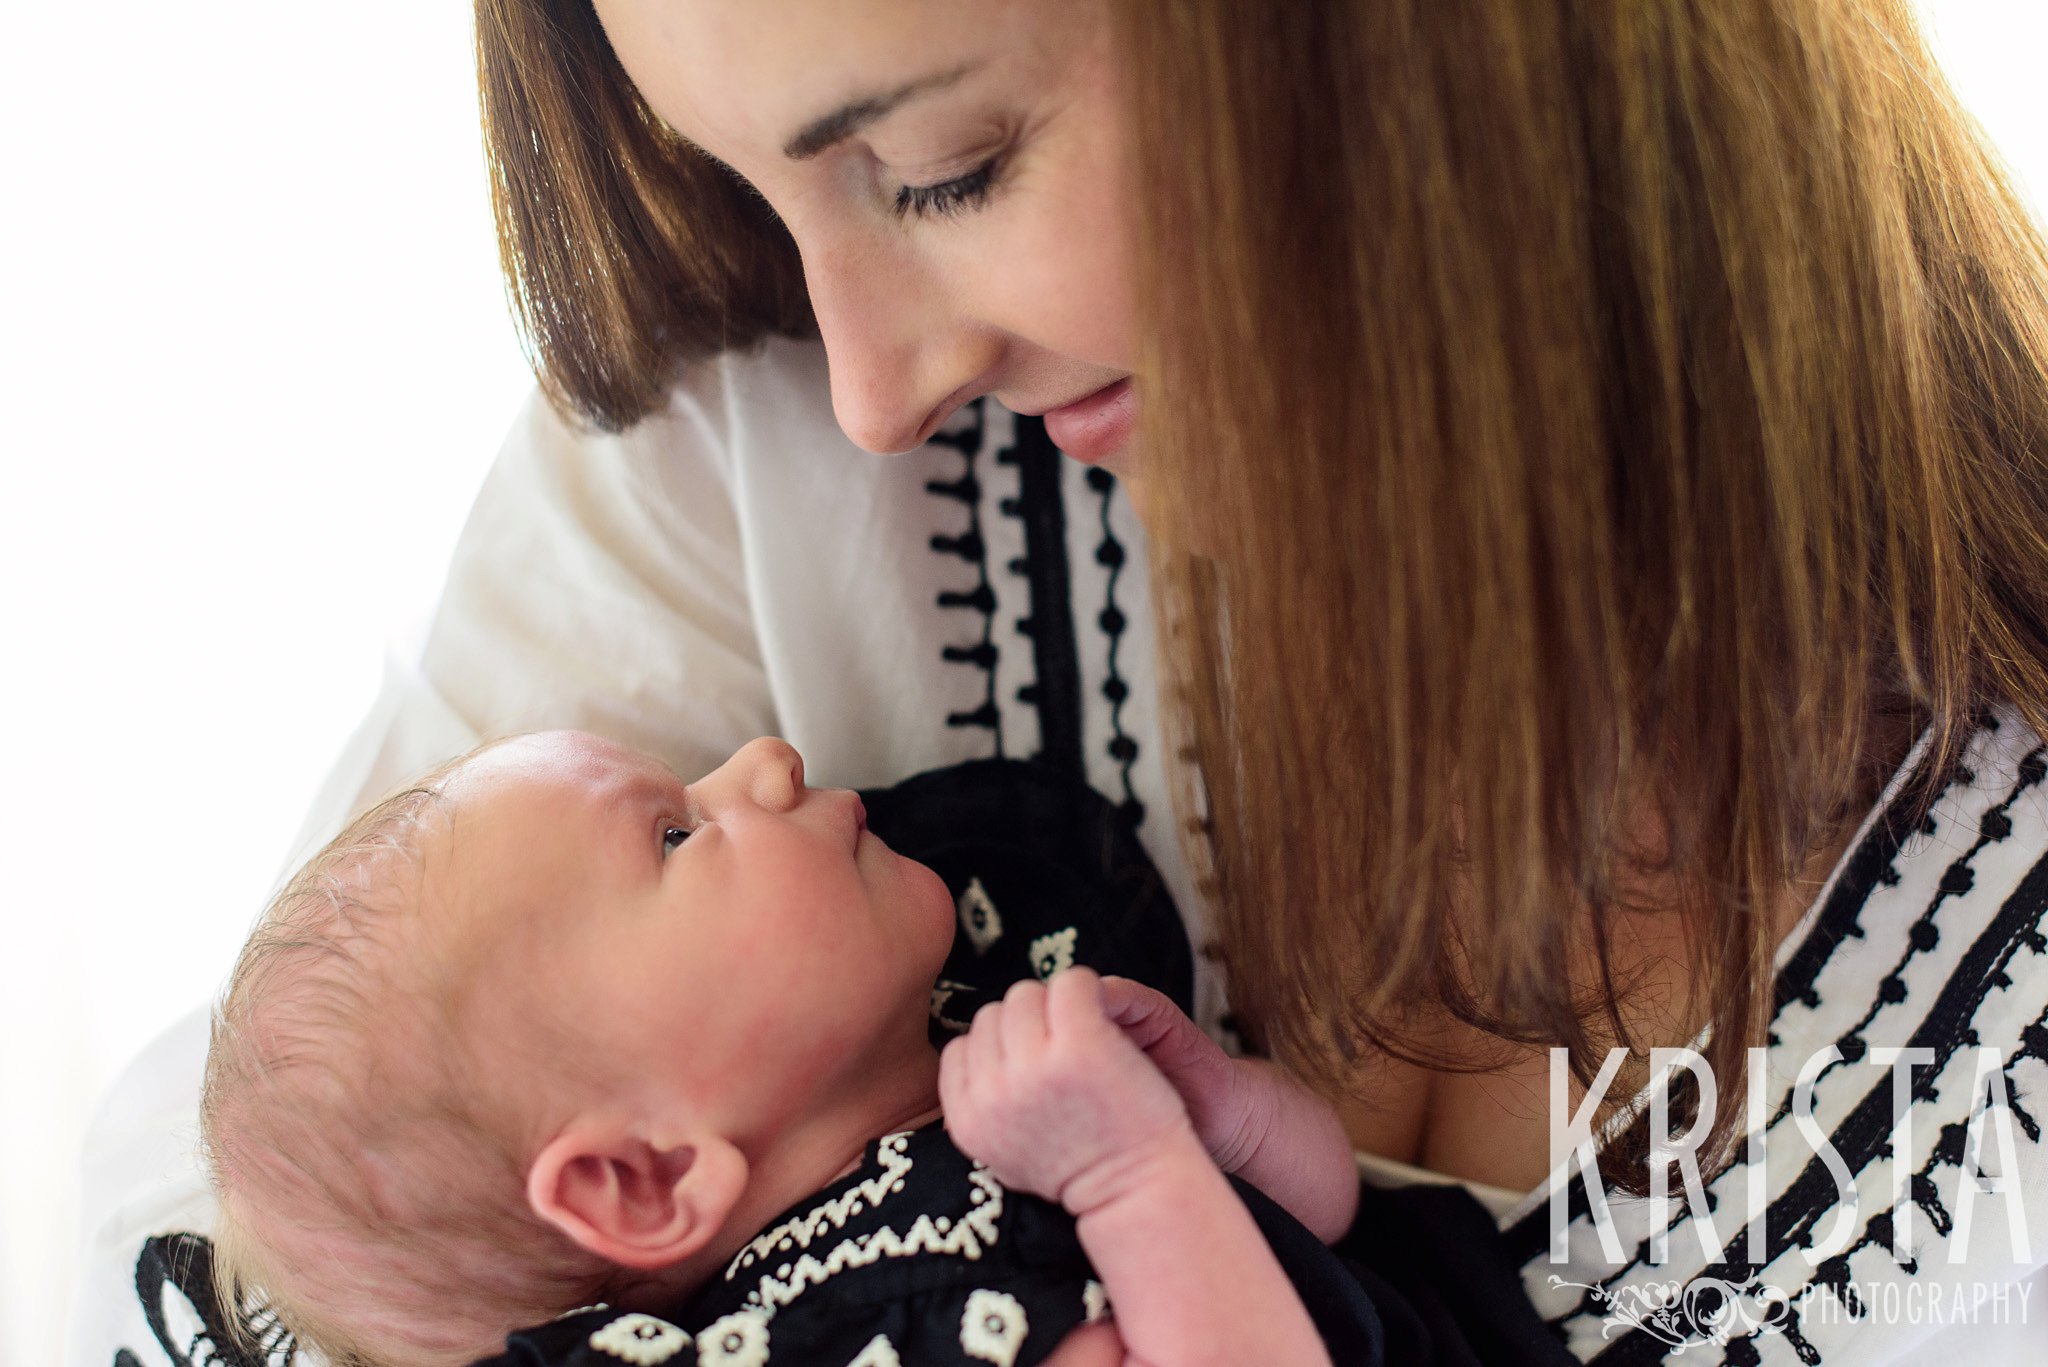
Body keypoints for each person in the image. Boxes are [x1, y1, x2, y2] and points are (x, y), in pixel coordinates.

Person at [75, 2, 2048, 1364]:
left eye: (946, 164)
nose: (867, 383)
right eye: (766, 186)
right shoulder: (765, 436)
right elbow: (243, 1200)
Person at [201, 731, 1362, 1367]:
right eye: (675, 832)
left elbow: (1331, 1221)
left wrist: (1211, 1115)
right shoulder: (875, 1327)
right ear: (643, 1174)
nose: (763, 756)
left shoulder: (980, 1049)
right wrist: (1135, 1176)